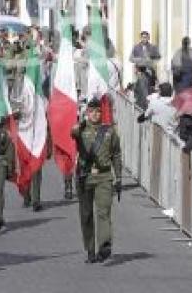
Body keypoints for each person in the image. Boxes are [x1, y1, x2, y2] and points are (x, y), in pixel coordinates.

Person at [72, 98, 123, 264]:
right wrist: (78, 124)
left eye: (98, 111)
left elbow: (116, 154)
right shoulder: (81, 129)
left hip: (104, 177)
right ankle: (90, 250)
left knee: (103, 211)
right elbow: (72, 133)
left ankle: (105, 245)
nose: (95, 114)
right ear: (87, 113)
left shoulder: (109, 131)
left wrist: (119, 177)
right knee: (86, 215)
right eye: (92, 111)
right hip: (85, 177)